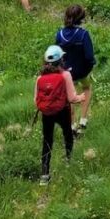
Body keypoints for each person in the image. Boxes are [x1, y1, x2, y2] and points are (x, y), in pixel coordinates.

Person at [34, 44, 84, 185]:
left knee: (47, 141)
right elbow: (72, 98)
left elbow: (35, 100)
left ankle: (44, 175)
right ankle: (68, 160)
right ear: (61, 60)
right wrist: (82, 97)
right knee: (67, 134)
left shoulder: (40, 78)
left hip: (46, 113)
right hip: (63, 111)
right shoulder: (65, 75)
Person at [55, 4, 95, 134]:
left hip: (66, 72)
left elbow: (57, 54)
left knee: (69, 97)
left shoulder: (59, 35)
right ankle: (83, 119)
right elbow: (89, 56)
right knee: (87, 88)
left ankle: (71, 126)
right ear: (81, 18)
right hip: (82, 71)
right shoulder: (83, 34)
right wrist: (90, 67)